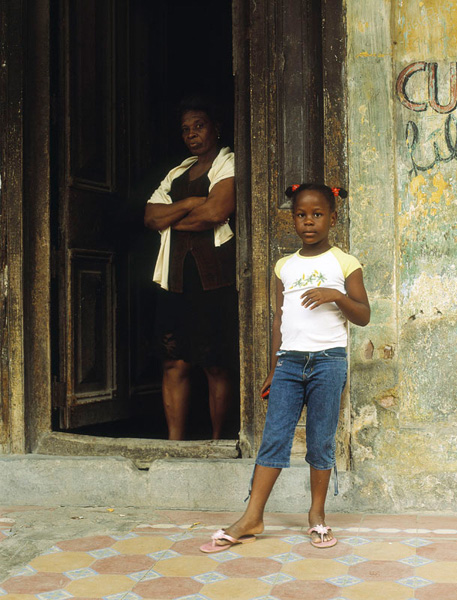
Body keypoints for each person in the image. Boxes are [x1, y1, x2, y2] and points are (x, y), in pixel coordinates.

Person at [200, 183, 370, 552]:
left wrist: (336, 295)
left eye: (317, 215)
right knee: (274, 439)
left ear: (332, 219)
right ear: (292, 219)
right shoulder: (285, 266)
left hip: (328, 363)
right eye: (301, 215)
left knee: (320, 441)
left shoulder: (345, 263)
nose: (309, 222)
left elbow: (363, 315)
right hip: (290, 364)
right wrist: (275, 366)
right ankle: (252, 517)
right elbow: (281, 318)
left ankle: (317, 515)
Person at [144, 96, 237, 440]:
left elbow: (216, 212)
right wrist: (189, 203)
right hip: (176, 279)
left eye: (199, 126)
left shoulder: (228, 162)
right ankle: (175, 445)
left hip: (214, 279)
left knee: (215, 363)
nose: (192, 134)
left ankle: (217, 442)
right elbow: (150, 217)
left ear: (216, 128)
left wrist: (173, 220)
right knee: (174, 362)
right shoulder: (177, 173)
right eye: (185, 129)